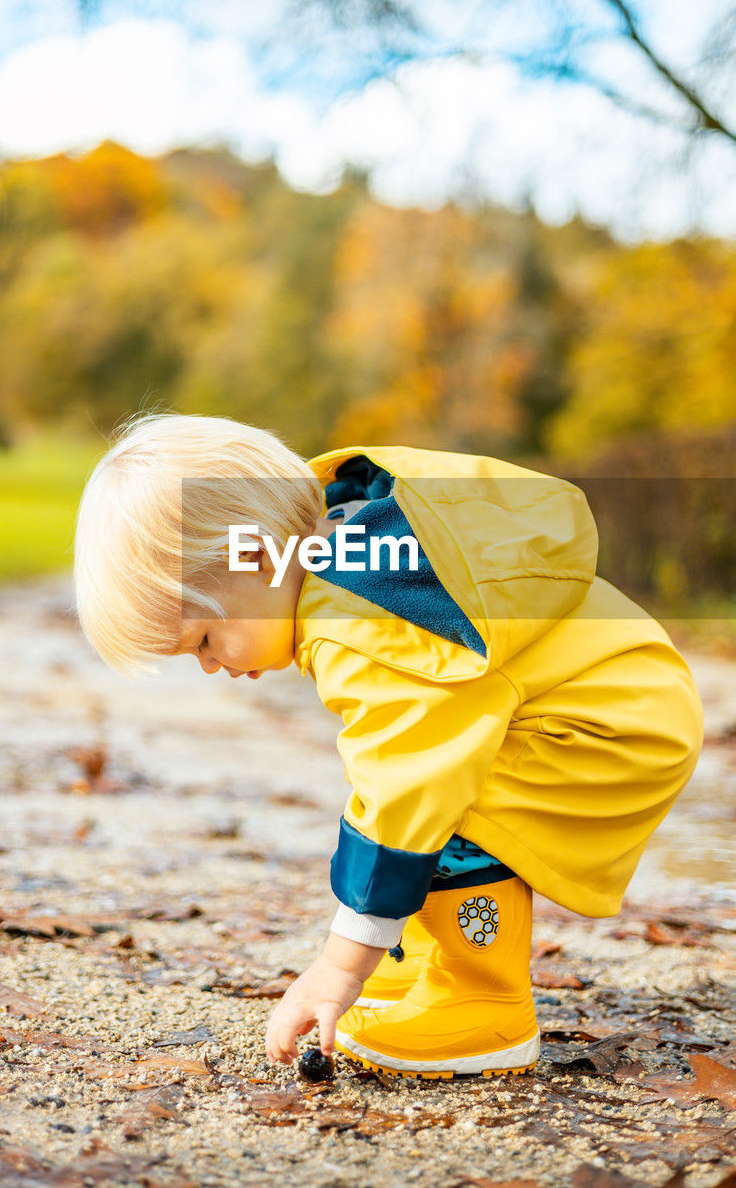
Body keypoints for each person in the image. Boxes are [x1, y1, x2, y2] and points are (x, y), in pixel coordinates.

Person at [74, 412, 704, 1080]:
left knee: (438, 804)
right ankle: (437, 970)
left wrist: (339, 966)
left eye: (202, 640)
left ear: (254, 555)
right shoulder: (363, 548)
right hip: (628, 697)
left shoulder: (356, 621)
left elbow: (404, 788)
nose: (208, 666)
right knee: (431, 792)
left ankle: (481, 1002)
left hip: (600, 727)